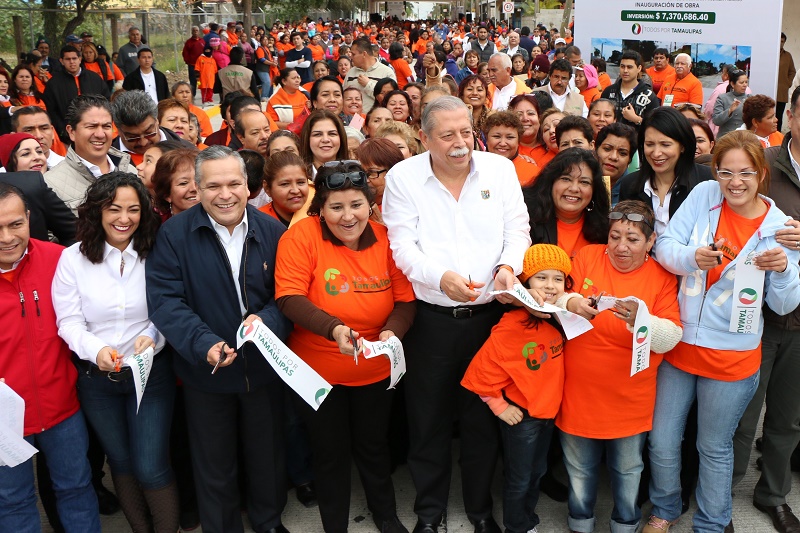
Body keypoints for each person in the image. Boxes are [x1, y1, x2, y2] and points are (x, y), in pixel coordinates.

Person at [382, 96, 531, 533]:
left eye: (466, 131)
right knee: (426, 422)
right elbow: (402, 247)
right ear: (424, 137)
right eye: (446, 135)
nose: (459, 143)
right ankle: (430, 514)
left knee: (482, 421)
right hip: (431, 321)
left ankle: (480, 512)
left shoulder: (499, 170)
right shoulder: (402, 178)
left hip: (489, 321)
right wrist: (438, 276)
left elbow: (516, 229)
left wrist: (508, 267)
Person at [647, 130, 800, 533]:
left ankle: (713, 523)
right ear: (715, 172)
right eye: (725, 172)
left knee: (713, 447)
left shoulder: (780, 227)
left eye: (745, 173)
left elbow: (785, 304)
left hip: (732, 358)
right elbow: (665, 247)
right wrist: (690, 257)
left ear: (761, 174)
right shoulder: (702, 199)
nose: (735, 182)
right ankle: (665, 508)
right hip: (680, 348)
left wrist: (783, 270)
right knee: (663, 442)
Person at [145, 146, 293, 533]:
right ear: (197, 187)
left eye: (233, 184)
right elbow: (165, 301)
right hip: (206, 372)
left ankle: (268, 521)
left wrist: (269, 322)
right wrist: (203, 342)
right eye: (213, 186)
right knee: (213, 461)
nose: (224, 194)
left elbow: (289, 295)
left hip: (263, 368)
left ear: (249, 187)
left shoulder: (274, 231)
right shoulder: (174, 234)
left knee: (267, 455)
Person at [274, 160, 415, 533]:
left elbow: (405, 301)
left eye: (357, 205)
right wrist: (333, 328)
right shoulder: (301, 236)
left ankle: (385, 514)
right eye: (336, 207)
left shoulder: (386, 239)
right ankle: (334, 524)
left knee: (373, 446)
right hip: (319, 371)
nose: (348, 216)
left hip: (374, 367)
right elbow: (288, 297)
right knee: (329, 453)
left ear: (370, 205)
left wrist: (393, 332)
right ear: (320, 208)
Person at [52, 171, 178, 533]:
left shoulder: (156, 251)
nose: (124, 218)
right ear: (97, 212)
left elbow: (170, 307)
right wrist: (97, 350)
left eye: (133, 210)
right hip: (97, 379)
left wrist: (154, 335)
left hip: (150, 375)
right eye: (114, 209)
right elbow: (69, 323)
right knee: (120, 461)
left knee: (151, 464)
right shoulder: (73, 259)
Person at [560, 199, 682, 533]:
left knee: (628, 469)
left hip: (631, 395)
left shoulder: (661, 277)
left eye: (633, 239)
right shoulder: (587, 257)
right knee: (579, 468)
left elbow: (671, 335)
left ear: (651, 242)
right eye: (615, 236)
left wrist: (642, 322)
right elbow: (555, 295)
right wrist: (571, 302)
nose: (621, 247)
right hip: (580, 390)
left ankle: (625, 523)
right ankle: (580, 521)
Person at [0, 183, 101, 533]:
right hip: (4, 422)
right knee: (13, 502)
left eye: (15, 224)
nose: (7, 237)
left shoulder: (59, 260)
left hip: (62, 408)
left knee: (75, 489)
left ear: (29, 218)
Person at [461, 243, 570, 533]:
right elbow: (481, 371)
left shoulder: (559, 319)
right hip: (523, 418)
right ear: (525, 282)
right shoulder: (512, 325)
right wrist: (499, 406)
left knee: (537, 472)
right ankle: (516, 526)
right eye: (541, 277)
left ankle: (527, 519)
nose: (550, 286)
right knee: (520, 478)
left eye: (557, 279)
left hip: (547, 414)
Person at [730, 85, 800, 533]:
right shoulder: (764, 165)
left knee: (787, 419)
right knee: (741, 416)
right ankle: (720, 494)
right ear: (791, 114)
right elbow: (731, 203)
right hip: (756, 314)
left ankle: (773, 494)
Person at [617, 106, 714, 240]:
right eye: (650, 144)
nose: (656, 153)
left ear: (683, 146)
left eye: (665, 145)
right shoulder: (630, 184)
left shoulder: (708, 180)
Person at [44, 95, 136, 215]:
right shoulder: (51, 184)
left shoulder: (131, 172)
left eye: (106, 126)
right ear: (71, 132)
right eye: (92, 126)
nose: (100, 134)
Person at [523, 146, 610, 260]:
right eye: (566, 179)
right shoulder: (526, 220)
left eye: (584, 182)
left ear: (594, 190)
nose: (574, 189)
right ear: (551, 182)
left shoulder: (605, 230)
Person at [43, 45, 110, 142]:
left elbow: (106, 101)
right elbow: (51, 110)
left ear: (80, 59)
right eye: (68, 59)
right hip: (67, 134)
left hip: (95, 130)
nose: (71, 62)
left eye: (74, 58)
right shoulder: (53, 83)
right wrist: (62, 130)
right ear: (61, 61)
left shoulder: (94, 78)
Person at [111, 90, 183, 166]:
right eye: (133, 138)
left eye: (149, 133)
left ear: (157, 121)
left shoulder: (186, 151)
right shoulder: (107, 160)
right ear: (118, 130)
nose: (143, 143)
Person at [600, 50, 660, 129]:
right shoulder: (608, 91)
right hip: (610, 139)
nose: (625, 71)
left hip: (636, 140)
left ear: (639, 68)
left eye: (629, 67)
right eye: (622, 66)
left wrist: (636, 119)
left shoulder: (649, 97)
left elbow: (656, 126)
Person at [483, 111, 540, 187]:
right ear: (486, 139)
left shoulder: (533, 173)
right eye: (497, 136)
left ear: (518, 141)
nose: (503, 143)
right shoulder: (473, 168)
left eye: (510, 137)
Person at [343, 37, 396, 112]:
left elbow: (392, 100)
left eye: (353, 54)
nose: (350, 57)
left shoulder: (386, 72)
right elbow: (344, 96)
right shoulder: (351, 72)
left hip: (378, 120)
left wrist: (368, 85)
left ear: (364, 54)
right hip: (354, 121)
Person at [259, 150, 310, 226]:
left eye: (301, 182)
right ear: (267, 188)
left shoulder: (320, 215)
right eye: (285, 184)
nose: (295, 190)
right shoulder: (258, 222)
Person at [356, 137, 404, 214]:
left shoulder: (406, 206)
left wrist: (380, 223)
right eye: (360, 172)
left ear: (392, 173)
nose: (365, 179)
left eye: (372, 172)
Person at [150, 147, 200, 218]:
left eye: (199, 180)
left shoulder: (219, 221)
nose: (194, 188)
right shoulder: (156, 226)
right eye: (183, 183)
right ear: (166, 194)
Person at [596, 123, 637, 206]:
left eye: (622, 153)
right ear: (595, 149)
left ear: (629, 160)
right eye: (607, 149)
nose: (613, 157)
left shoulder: (636, 193)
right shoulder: (581, 185)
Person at [300, 109, 349, 174]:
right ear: (307, 139)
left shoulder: (355, 177)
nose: (325, 140)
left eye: (332, 134)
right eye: (317, 134)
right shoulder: (297, 176)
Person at [712, 69, 750, 138]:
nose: (745, 85)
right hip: (725, 138)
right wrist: (729, 111)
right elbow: (716, 120)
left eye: (746, 82)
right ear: (732, 84)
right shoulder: (722, 98)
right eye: (741, 83)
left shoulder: (750, 99)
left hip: (743, 138)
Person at [778, 33, 796, 131]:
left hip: (781, 92)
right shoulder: (769, 53)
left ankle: (777, 140)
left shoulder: (787, 56)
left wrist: (787, 83)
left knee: (778, 117)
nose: (780, 43)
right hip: (768, 91)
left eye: (782, 41)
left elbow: (792, 71)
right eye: (779, 41)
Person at [182, 26, 205, 99]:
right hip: (192, 65)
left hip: (202, 65)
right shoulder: (189, 42)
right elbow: (185, 53)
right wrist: (188, 61)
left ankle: (205, 96)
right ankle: (193, 95)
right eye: (194, 30)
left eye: (197, 30)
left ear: (199, 32)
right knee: (193, 81)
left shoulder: (202, 41)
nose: (195, 32)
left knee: (203, 80)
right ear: (192, 32)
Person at [255, 34, 279, 100]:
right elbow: (262, 59)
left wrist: (273, 62)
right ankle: (263, 97)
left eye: (266, 40)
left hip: (267, 69)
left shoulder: (266, 48)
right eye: (264, 40)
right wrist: (271, 63)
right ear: (261, 41)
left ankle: (267, 96)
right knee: (266, 82)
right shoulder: (260, 48)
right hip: (261, 69)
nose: (266, 41)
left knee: (269, 82)